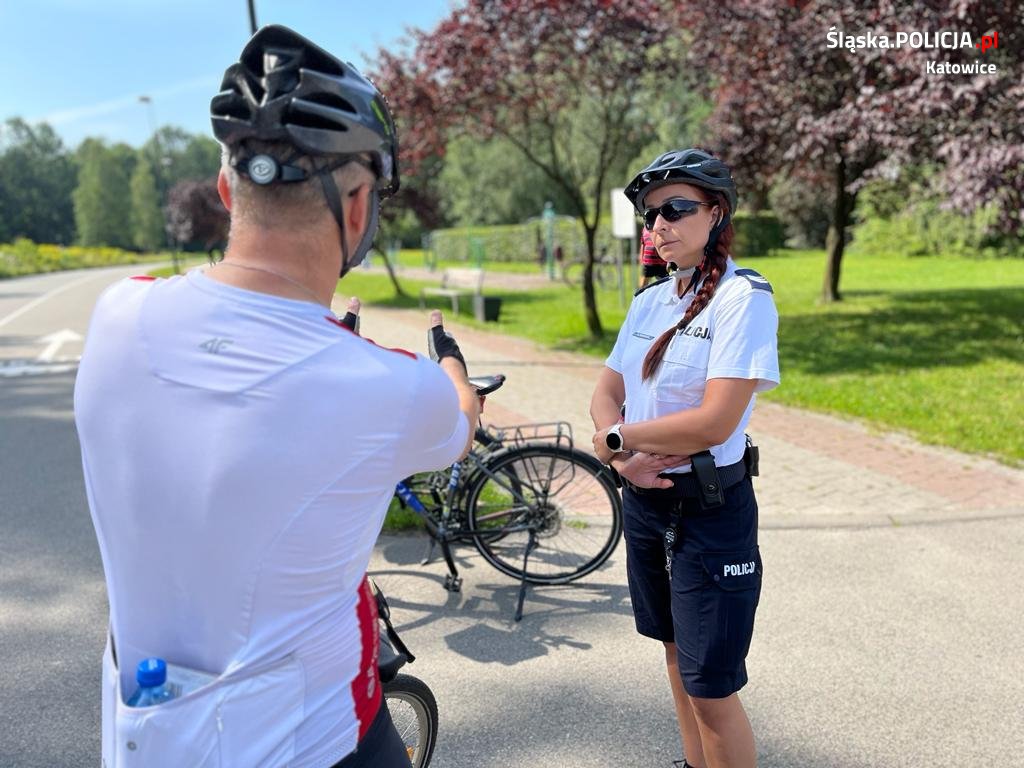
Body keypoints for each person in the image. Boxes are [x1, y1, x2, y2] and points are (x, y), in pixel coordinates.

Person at [74, 25, 480, 768]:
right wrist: (450, 366)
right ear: (358, 210)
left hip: (144, 738)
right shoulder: (389, 385)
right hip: (316, 742)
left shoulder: (114, 315)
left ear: (229, 191)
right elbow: (458, 422)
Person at [589, 148, 779, 768]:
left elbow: (716, 420)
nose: (659, 225)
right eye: (651, 215)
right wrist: (623, 462)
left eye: (675, 209)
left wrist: (620, 443)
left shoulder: (742, 298)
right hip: (645, 503)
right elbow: (607, 389)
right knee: (674, 652)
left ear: (716, 212)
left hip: (708, 511)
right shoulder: (649, 302)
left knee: (713, 688)